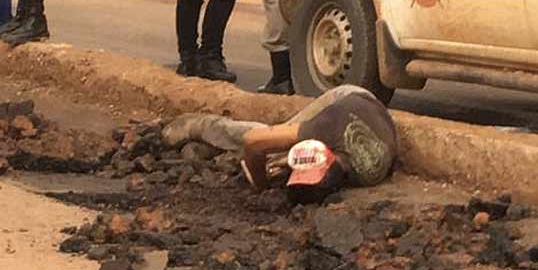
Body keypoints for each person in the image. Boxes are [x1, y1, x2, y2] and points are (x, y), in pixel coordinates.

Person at [162, 85, 397, 203]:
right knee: (264, 138)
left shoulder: (363, 173)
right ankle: (202, 126)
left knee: (274, 154)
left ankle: (213, 148)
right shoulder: (323, 130)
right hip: (351, 96)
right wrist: (260, 182)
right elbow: (254, 141)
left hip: (366, 118)